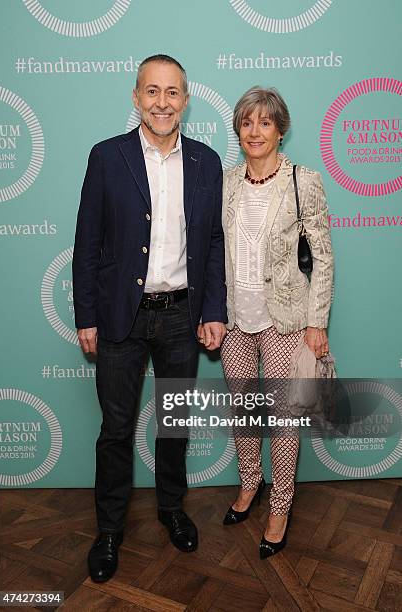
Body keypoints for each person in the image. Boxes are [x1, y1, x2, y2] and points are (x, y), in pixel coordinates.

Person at [72, 54, 227, 582]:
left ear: (186, 99)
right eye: (152, 91)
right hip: (121, 318)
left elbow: (212, 244)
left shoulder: (207, 162)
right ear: (136, 98)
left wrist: (213, 310)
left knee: (175, 424)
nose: (163, 102)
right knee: (115, 430)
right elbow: (86, 242)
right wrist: (86, 314)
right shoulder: (106, 157)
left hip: (182, 316)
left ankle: (171, 509)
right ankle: (109, 530)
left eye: (173, 92)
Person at [220, 86, 333, 558]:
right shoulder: (226, 182)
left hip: (286, 319)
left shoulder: (301, 180)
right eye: (247, 122)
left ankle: (280, 506)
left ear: (281, 130)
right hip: (233, 320)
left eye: (265, 122)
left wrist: (317, 321)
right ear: (238, 130)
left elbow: (323, 256)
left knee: (285, 420)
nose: (255, 131)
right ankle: (250, 484)